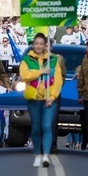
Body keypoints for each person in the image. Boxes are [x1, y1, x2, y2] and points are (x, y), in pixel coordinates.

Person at [19, 32, 63, 168]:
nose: (38, 46)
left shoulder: (53, 60)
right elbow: (24, 75)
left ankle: (46, 156)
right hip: (33, 99)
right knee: (36, 128)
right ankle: (37, 154)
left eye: (41, 44)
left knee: (46, 126)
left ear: (45, 46)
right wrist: (40, 72)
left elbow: (58, 80)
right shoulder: (27, 59)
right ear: (33, 45)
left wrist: (52, 96)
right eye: (36, 43)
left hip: (48, 100)